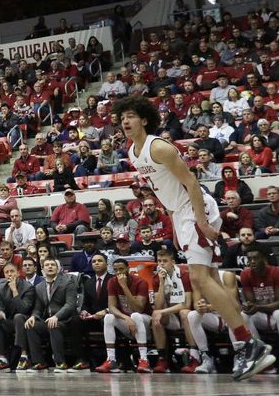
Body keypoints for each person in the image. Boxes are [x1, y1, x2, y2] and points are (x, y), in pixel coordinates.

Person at [113, 95, 274, 380]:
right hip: (180, 213)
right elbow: (164, 191)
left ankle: (248, 344)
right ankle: (247, 344)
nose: (125, 121)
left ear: (145, 119)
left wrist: (200, 222)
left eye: (131, 116)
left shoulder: (159, 147)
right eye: (122, 116)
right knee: (209, 281)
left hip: (194, 207)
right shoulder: (133, 154)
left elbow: (191, 183)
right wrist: (176, 225)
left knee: (199, 280)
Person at [17, 258, 81, 371]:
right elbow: (38, 307)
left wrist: (56, 317)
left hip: (67, 320)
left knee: (53, 325)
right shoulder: (39, 287)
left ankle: (60, 362)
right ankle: (39, 362)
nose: (50, 267)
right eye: (47, 265)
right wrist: (33, 317)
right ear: (42, 270)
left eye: (53, 265)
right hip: (49, 320)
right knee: (31, 325)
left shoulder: (68, 281)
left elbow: (70, 304)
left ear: (58, 268)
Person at [95, 258, 153, 373]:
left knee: (136, 315)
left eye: (121, 269)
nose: (118, 272)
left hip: (145, 322)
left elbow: (139, 308)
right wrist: (126, 318)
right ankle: (111, 360)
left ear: (128, 269)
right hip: (128, 322)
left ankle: (144, 359)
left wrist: (124, 287)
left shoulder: (140, 282)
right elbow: (111, 307)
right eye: (115, 270)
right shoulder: (112, 282)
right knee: (108, 317)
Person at [0, 263, 35, 372]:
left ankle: (24, 356)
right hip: (10, 322)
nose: (9, 274)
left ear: (18, 273)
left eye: (12, 271)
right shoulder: (2, 287)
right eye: (6, 272)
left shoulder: (28, 287)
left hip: (25, 321)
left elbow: (24, 309)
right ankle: (2, 360)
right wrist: (0, 313)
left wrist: (14, 290)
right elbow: (0, 306)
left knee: (18, 317)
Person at [150, 249, 192, 373]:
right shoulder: (157, 278)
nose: (161, 264)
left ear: (173, 262)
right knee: (156, 317)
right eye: (159, 261)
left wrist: (163, 312)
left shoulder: (184, 274)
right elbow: (158, 306)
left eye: (165, 261)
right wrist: (162, 283)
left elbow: (187, 304)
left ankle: (194, 356)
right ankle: (162, 358)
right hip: (172, 316)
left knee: (184, 313)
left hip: (188, 314)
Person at [241, 246, 279, 339]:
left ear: (264, 259)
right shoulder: (245, 274)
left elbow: (278, 303)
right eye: (249, 259)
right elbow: (251, 303)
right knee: (243, 315)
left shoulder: (276, 272)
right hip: (260, 315)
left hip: (275, 313)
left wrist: (258, 307)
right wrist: (248, 306)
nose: (252, 261)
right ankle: (257, 347)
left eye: (256, 258)